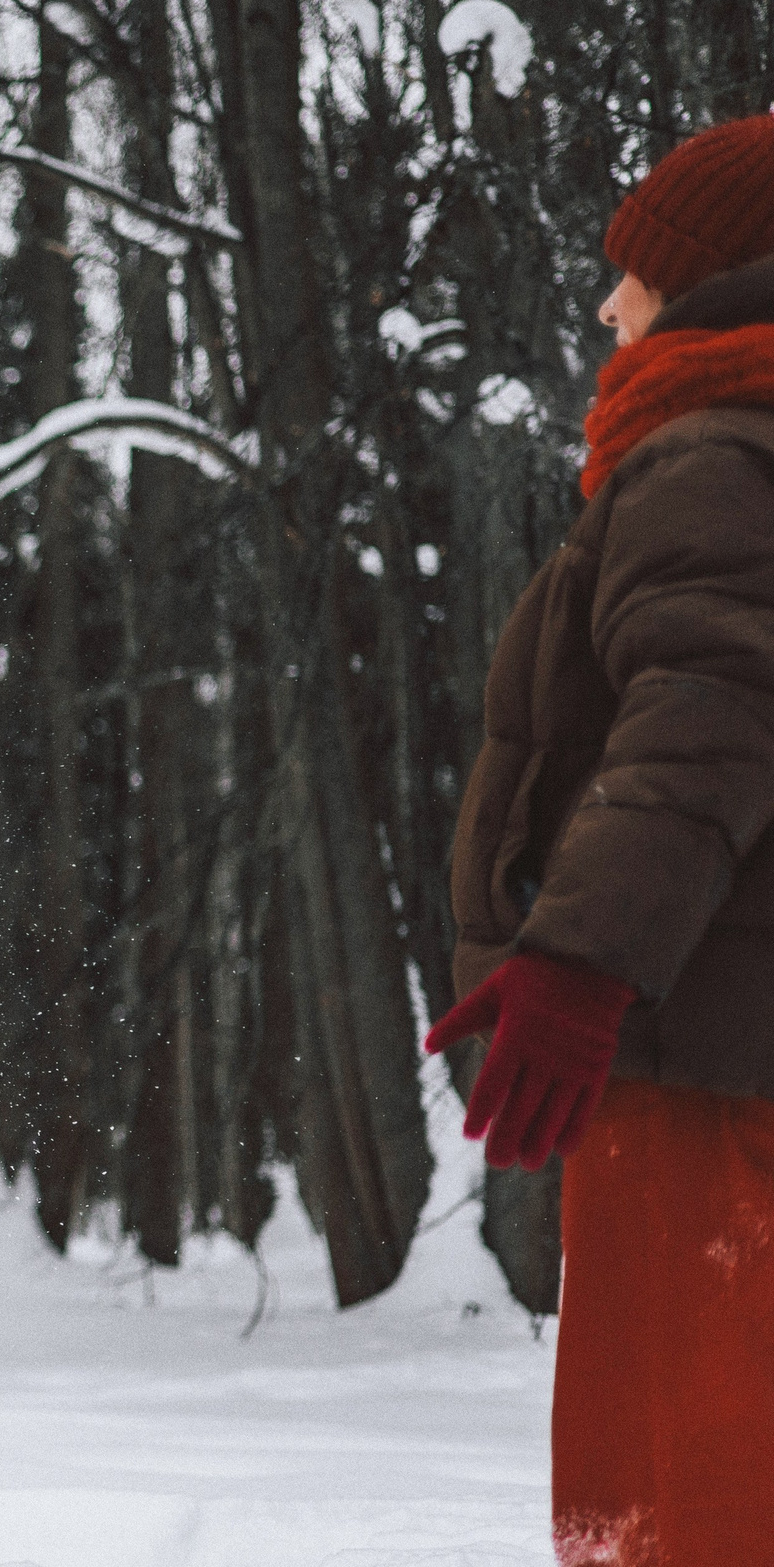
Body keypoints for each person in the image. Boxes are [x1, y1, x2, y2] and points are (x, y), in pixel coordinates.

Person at [428, 112, 774, 1566]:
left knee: (687, 1499)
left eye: (635, 273)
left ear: (711, 289)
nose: (606, 306)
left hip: (703, 1066)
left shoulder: (715, 454)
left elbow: (708, 719)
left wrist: (579, 964)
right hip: (721, 1041)